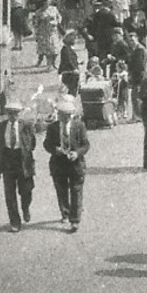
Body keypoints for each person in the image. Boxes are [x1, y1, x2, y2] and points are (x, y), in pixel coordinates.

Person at [42, 96, 89, 232]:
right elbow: (46, 144)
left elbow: (86, 144)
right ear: (59, 115)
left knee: (76, 190)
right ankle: (65, 213)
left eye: (68, 115)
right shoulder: (53, 128)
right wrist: (54, 149)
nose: (66, 118)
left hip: (75, 164)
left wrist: (77, 153)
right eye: (63, 115)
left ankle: (75, 220)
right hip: (58, 163)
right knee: (61, 190)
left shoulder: (79, 126)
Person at [0, 103, 36, 232]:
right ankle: (15, 222)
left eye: (15, 113)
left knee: (26, 190)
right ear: (7, 114)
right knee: (9, 194)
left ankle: (25, 208)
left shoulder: (26, 126)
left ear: (19, 113)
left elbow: (32, 143)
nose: (13, 116)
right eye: (10, 113)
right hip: (7, 161)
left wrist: (25, 152)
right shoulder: (1, 126)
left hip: (23, 160)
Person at [32, 0, 62, 71]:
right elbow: (35, 22)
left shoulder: (54, 9)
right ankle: (49, 65)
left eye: (49, 2)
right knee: (48, 49)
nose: (47, 4)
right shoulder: (39, 11)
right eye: (46, 2)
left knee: (55, 49)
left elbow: (59, 17)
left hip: (53, 30)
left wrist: (57, 21)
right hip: (44, 32)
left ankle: (54, 63)